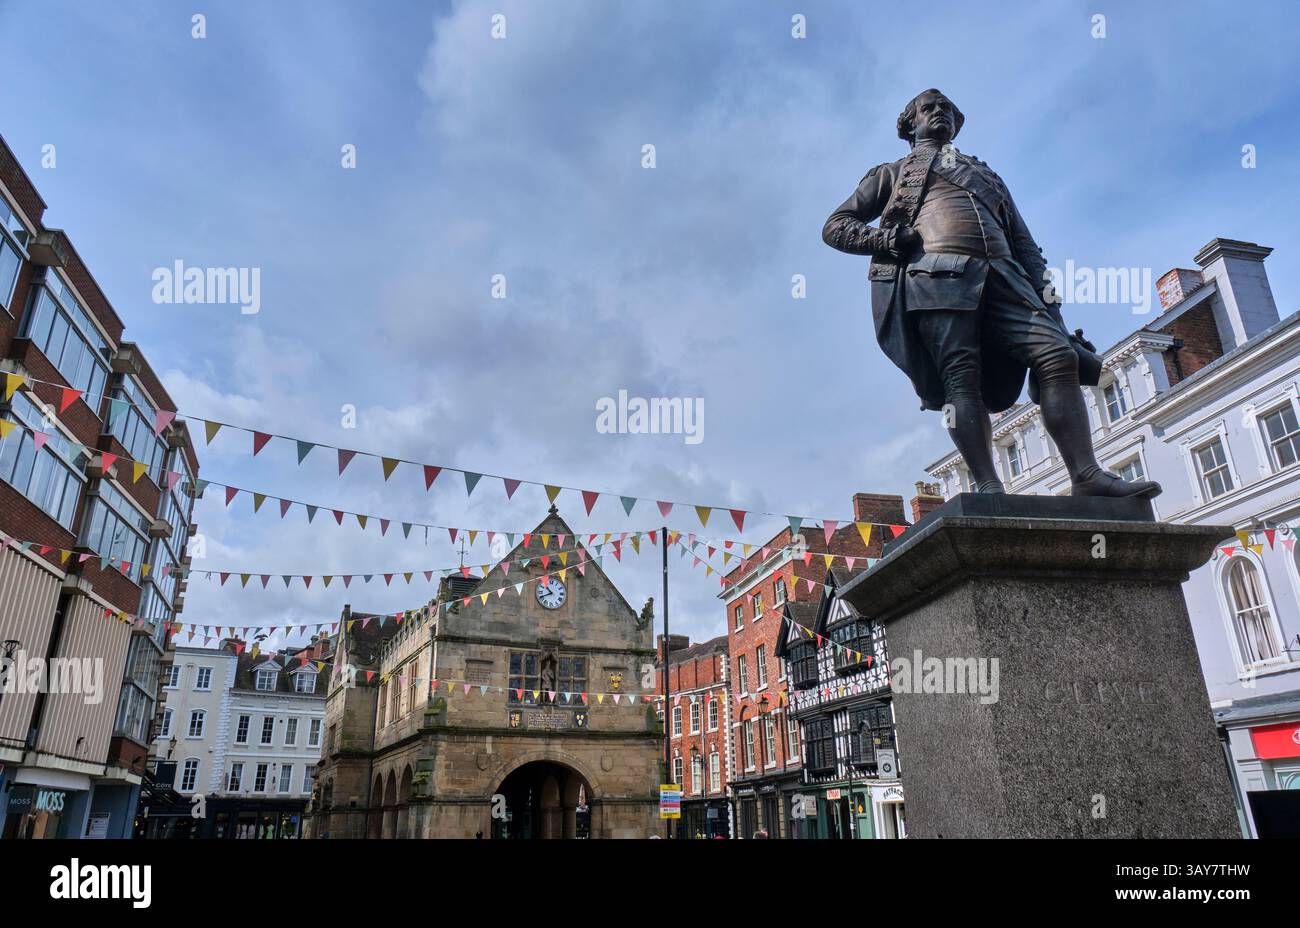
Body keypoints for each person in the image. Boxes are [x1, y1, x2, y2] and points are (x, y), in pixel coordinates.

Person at [822, 89, 1160, 499]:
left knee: (1058, 355)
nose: (939, 113)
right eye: (929, 109)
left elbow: (1025, 244)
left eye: (947, 109)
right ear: (910, 124)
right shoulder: (892, 174)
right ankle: (988, 486)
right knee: (960, 382)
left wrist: (1053, 308)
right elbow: (837, 225)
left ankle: (1085, 474)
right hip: (936, 279)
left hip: (1007, 278)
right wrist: (890, 239)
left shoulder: (986, 176)